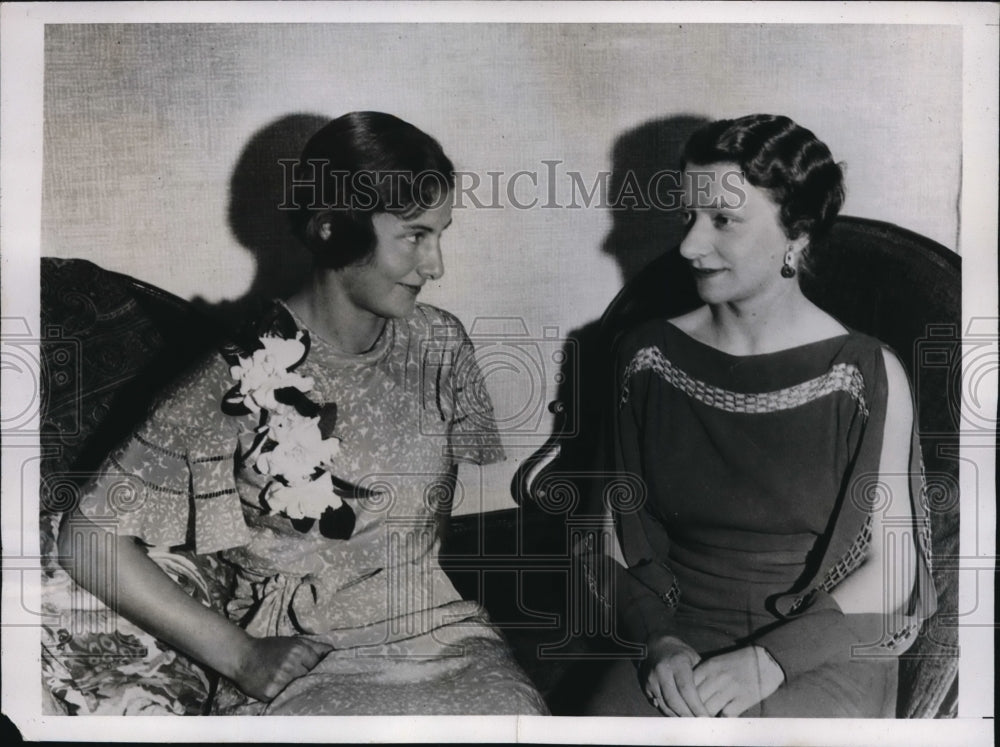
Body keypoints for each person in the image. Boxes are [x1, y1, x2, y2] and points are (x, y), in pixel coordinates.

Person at [58, 111, 548, 715]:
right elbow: (87, 540)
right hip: (310, 660)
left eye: (441, 234)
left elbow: (431, 523)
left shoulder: (441, 343)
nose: (436, 265)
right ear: (332, 229)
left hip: (442, 635)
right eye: (415, 236)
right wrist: (240, 656)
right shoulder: (241, 373)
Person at [582, 114, 935, 718]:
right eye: (689, 216)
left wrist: (770, 661)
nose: (691, 245)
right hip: (672, 636)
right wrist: (657, 641)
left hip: (821, 641)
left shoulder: (867, 373)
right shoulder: (643, 357)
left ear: (795, 235)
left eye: (723, 220)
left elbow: (893, 566)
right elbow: (608, 538)